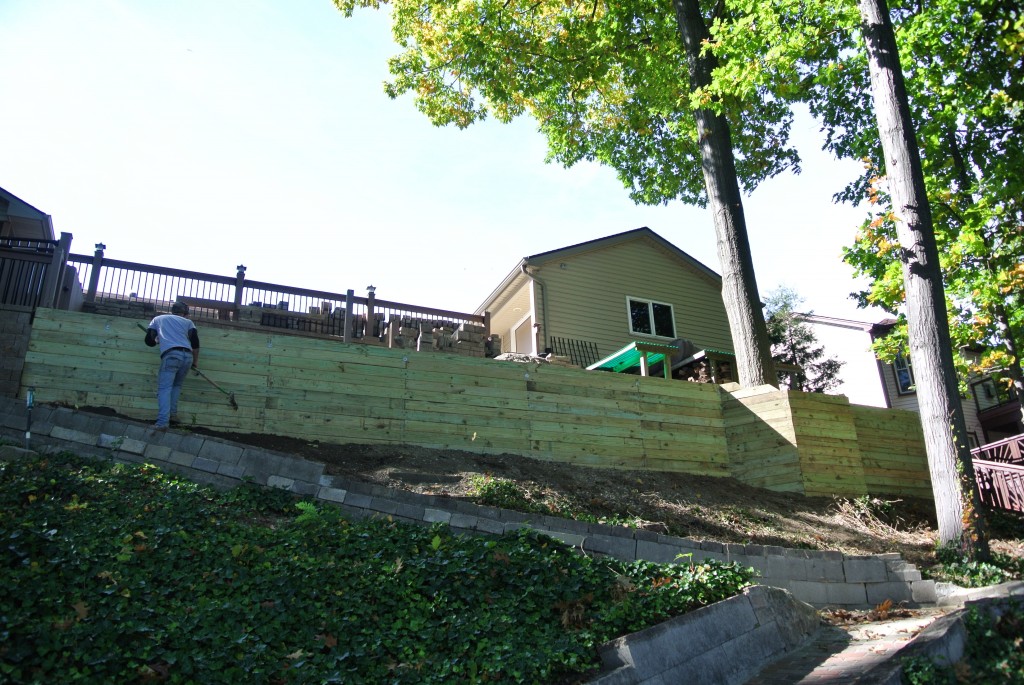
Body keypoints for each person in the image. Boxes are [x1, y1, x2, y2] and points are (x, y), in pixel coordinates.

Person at [144, 301, 200, 430]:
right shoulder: (188, 322)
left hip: (171, 355)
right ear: (185, 313)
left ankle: (163, 422)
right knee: (176, 386)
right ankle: (173, 416)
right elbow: (195, 344)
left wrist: (157, 340)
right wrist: (195, 362)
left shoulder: (158, 319)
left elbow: (149, 340)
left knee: (164, 388)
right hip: (187, 357)